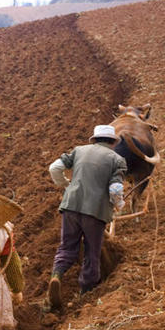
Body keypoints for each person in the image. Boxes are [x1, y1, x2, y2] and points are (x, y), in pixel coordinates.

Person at [47, 124, 127, 308]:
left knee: (67, 246)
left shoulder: (78, 151)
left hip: (71, 206)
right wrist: (118, 204)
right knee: (92, 251)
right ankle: (86, 292)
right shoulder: (117, 159)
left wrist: (67, 186)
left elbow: (54, 168)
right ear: (112, 142)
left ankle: (57, 275)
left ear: (95, 139)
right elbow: (115, 188)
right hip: (95, 212)